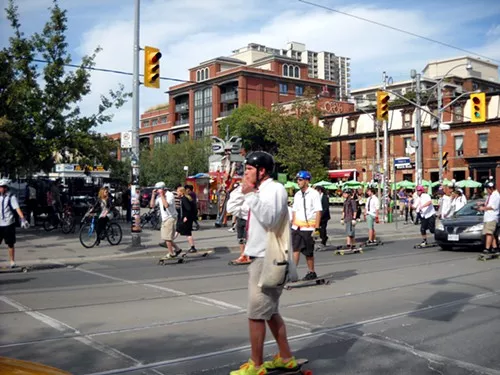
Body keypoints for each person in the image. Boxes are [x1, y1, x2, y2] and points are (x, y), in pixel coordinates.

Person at [230, 151, 297, 375]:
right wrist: (244, 191)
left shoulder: (275, 189)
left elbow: (270, 219)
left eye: (249, 169)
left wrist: (250, 195)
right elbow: (234, 209)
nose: (245, 172)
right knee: (269, 312)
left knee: (256, 314)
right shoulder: (257, 191)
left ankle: (256, 365)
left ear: (262, 171)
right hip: (257, 256)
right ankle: (286, 357)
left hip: (268, 257)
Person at [291, 170, 322, 281]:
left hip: (308, 228)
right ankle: (292, 273)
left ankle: (311, 271)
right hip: (297, 227)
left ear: (307, 181)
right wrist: (292, 224)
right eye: (297, 180)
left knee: (308, 252)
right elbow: (294, 210)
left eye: (300, 180)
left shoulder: (314, 194)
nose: (298, 182)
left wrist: (317, 228)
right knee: (295, 249)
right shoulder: (297, 194)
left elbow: (318, 211)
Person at [0, 179, 29, 268]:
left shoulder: (11, 197)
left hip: (9, 223)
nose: (0, 189)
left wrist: (23, 219)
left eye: (1, 187)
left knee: (10, 243)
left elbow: (17, 208)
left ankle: (12, 261)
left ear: (5, 188)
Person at [151, 182, 181, 258]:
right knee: (166, 237)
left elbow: (166, 205)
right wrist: (153, 195)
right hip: (164, 218)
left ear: (162, 189)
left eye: (158, 189)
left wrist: (162, 195)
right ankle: (177, 249)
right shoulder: (158, 196)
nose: (157, 191)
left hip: (171, 217)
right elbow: (152, 205)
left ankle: (171, 253)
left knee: (167, 238)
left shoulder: (170, 195)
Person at [226, 182, 250, 264]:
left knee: (247, 238)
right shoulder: (238, 196)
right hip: (240, 218)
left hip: (248, 218)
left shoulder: (250, 195)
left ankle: (247, 255)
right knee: (240, 238)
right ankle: (242, 254)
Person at [477, 179, 500, 254]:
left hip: (492, 217)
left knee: (489, 233)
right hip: (488, 217)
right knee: (491, 233)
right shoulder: (491, 195)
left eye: (487, 189)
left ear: (491, 188)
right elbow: (488, 204)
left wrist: (483, 208)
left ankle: (487, 248)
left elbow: (494, 207)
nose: (486, 190)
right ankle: (495, 247)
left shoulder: (496, 195)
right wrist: (482, 204)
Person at [176, 186, 197, 253]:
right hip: (188, 218)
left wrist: (186, 217)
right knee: (184, 232)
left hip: (186, 218)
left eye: (178, 191)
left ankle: (169, 242)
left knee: (180, 230)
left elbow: (188, 208)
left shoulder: (184, 199)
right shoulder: (185, 198)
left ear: (181, 192)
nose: (177, 193)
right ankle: (192, 247)